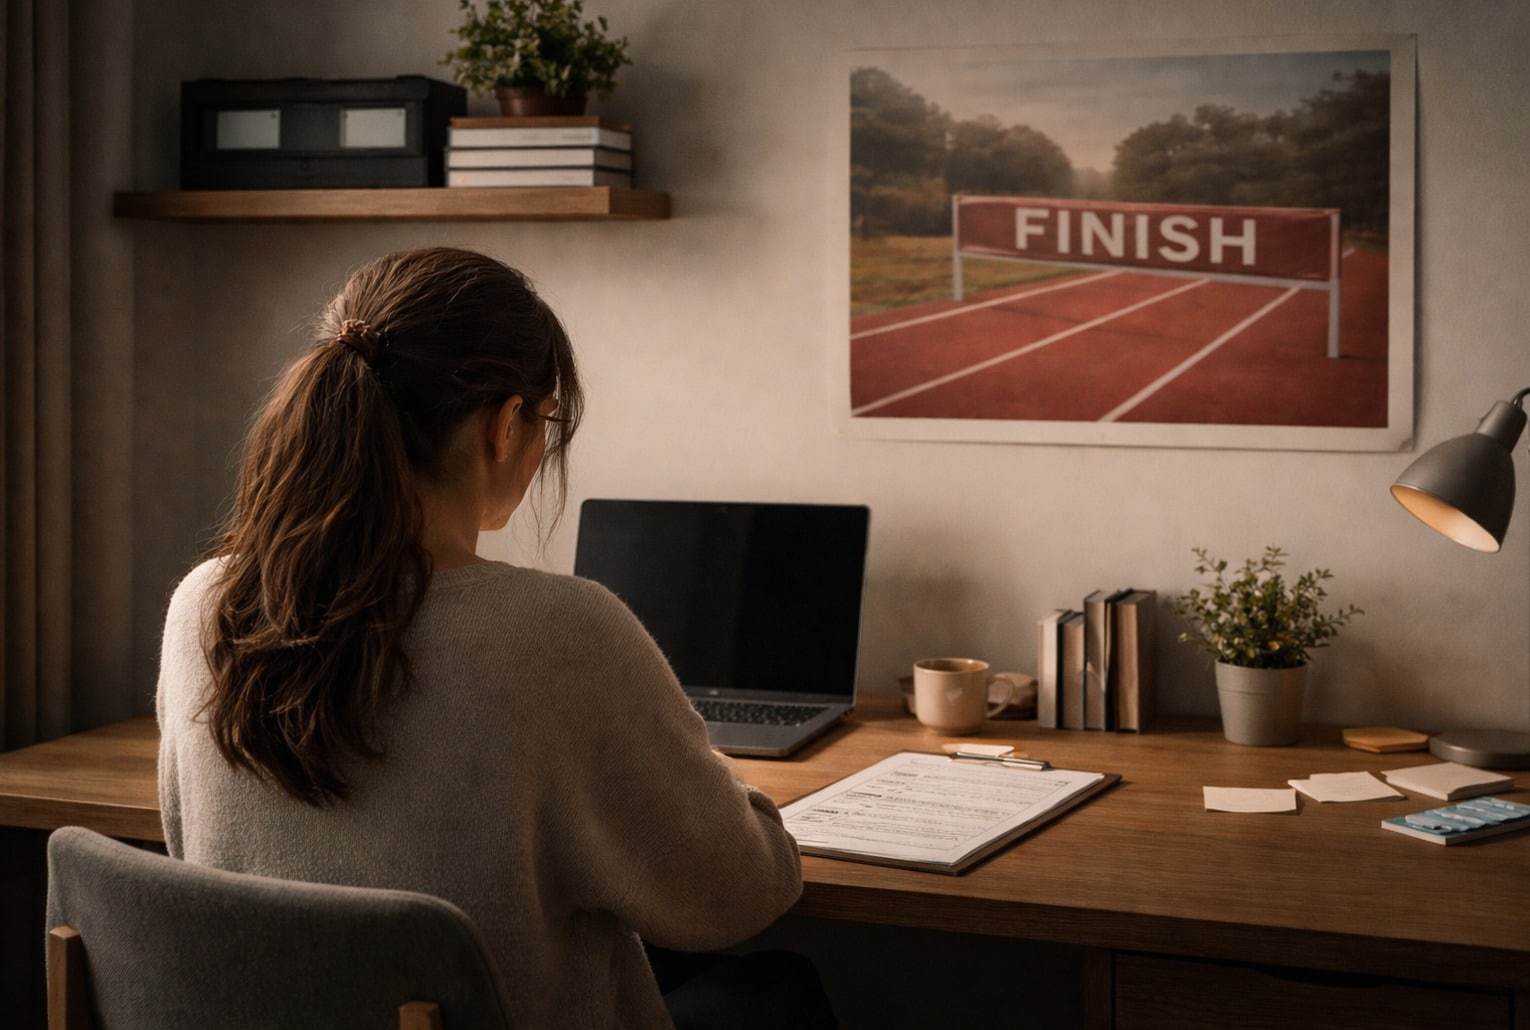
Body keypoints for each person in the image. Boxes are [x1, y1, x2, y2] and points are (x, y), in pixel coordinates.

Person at [156, 247, 835, 1029]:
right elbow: (740, 893)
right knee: (779, 988)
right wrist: (717, 778)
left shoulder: (203, 606)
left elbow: (190, 849)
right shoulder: (562, 634)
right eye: (546, 421)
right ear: (504, 423)